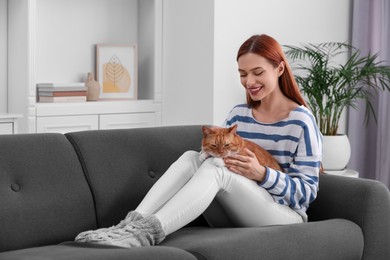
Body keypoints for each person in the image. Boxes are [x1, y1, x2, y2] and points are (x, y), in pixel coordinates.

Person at [75, 34, 323, 247]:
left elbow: (307, 194)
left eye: (258, 73)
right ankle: (128, 226)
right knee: (193, 157)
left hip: (283, 215)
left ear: (279, 69)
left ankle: (146, 234)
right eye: (243, 74)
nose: (249, 82)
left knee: (217, 167)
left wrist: (262, 174)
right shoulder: (239, 114)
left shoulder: (301, 120)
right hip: (234, 213)